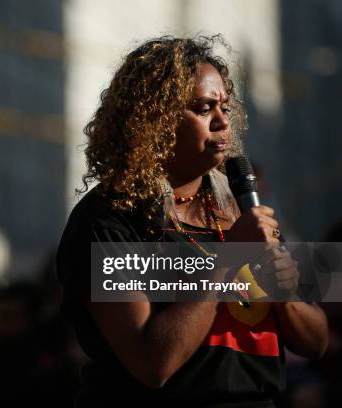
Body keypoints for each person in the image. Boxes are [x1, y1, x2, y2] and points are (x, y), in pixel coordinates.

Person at [56, 35, 328, 407]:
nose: (221, 123)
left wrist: (282, 292)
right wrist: (231, 260)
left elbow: (316, 343)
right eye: (203, 108)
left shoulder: (239, 208)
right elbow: (154, 363)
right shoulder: (109, 219)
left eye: (225, 108)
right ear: (154, 119)